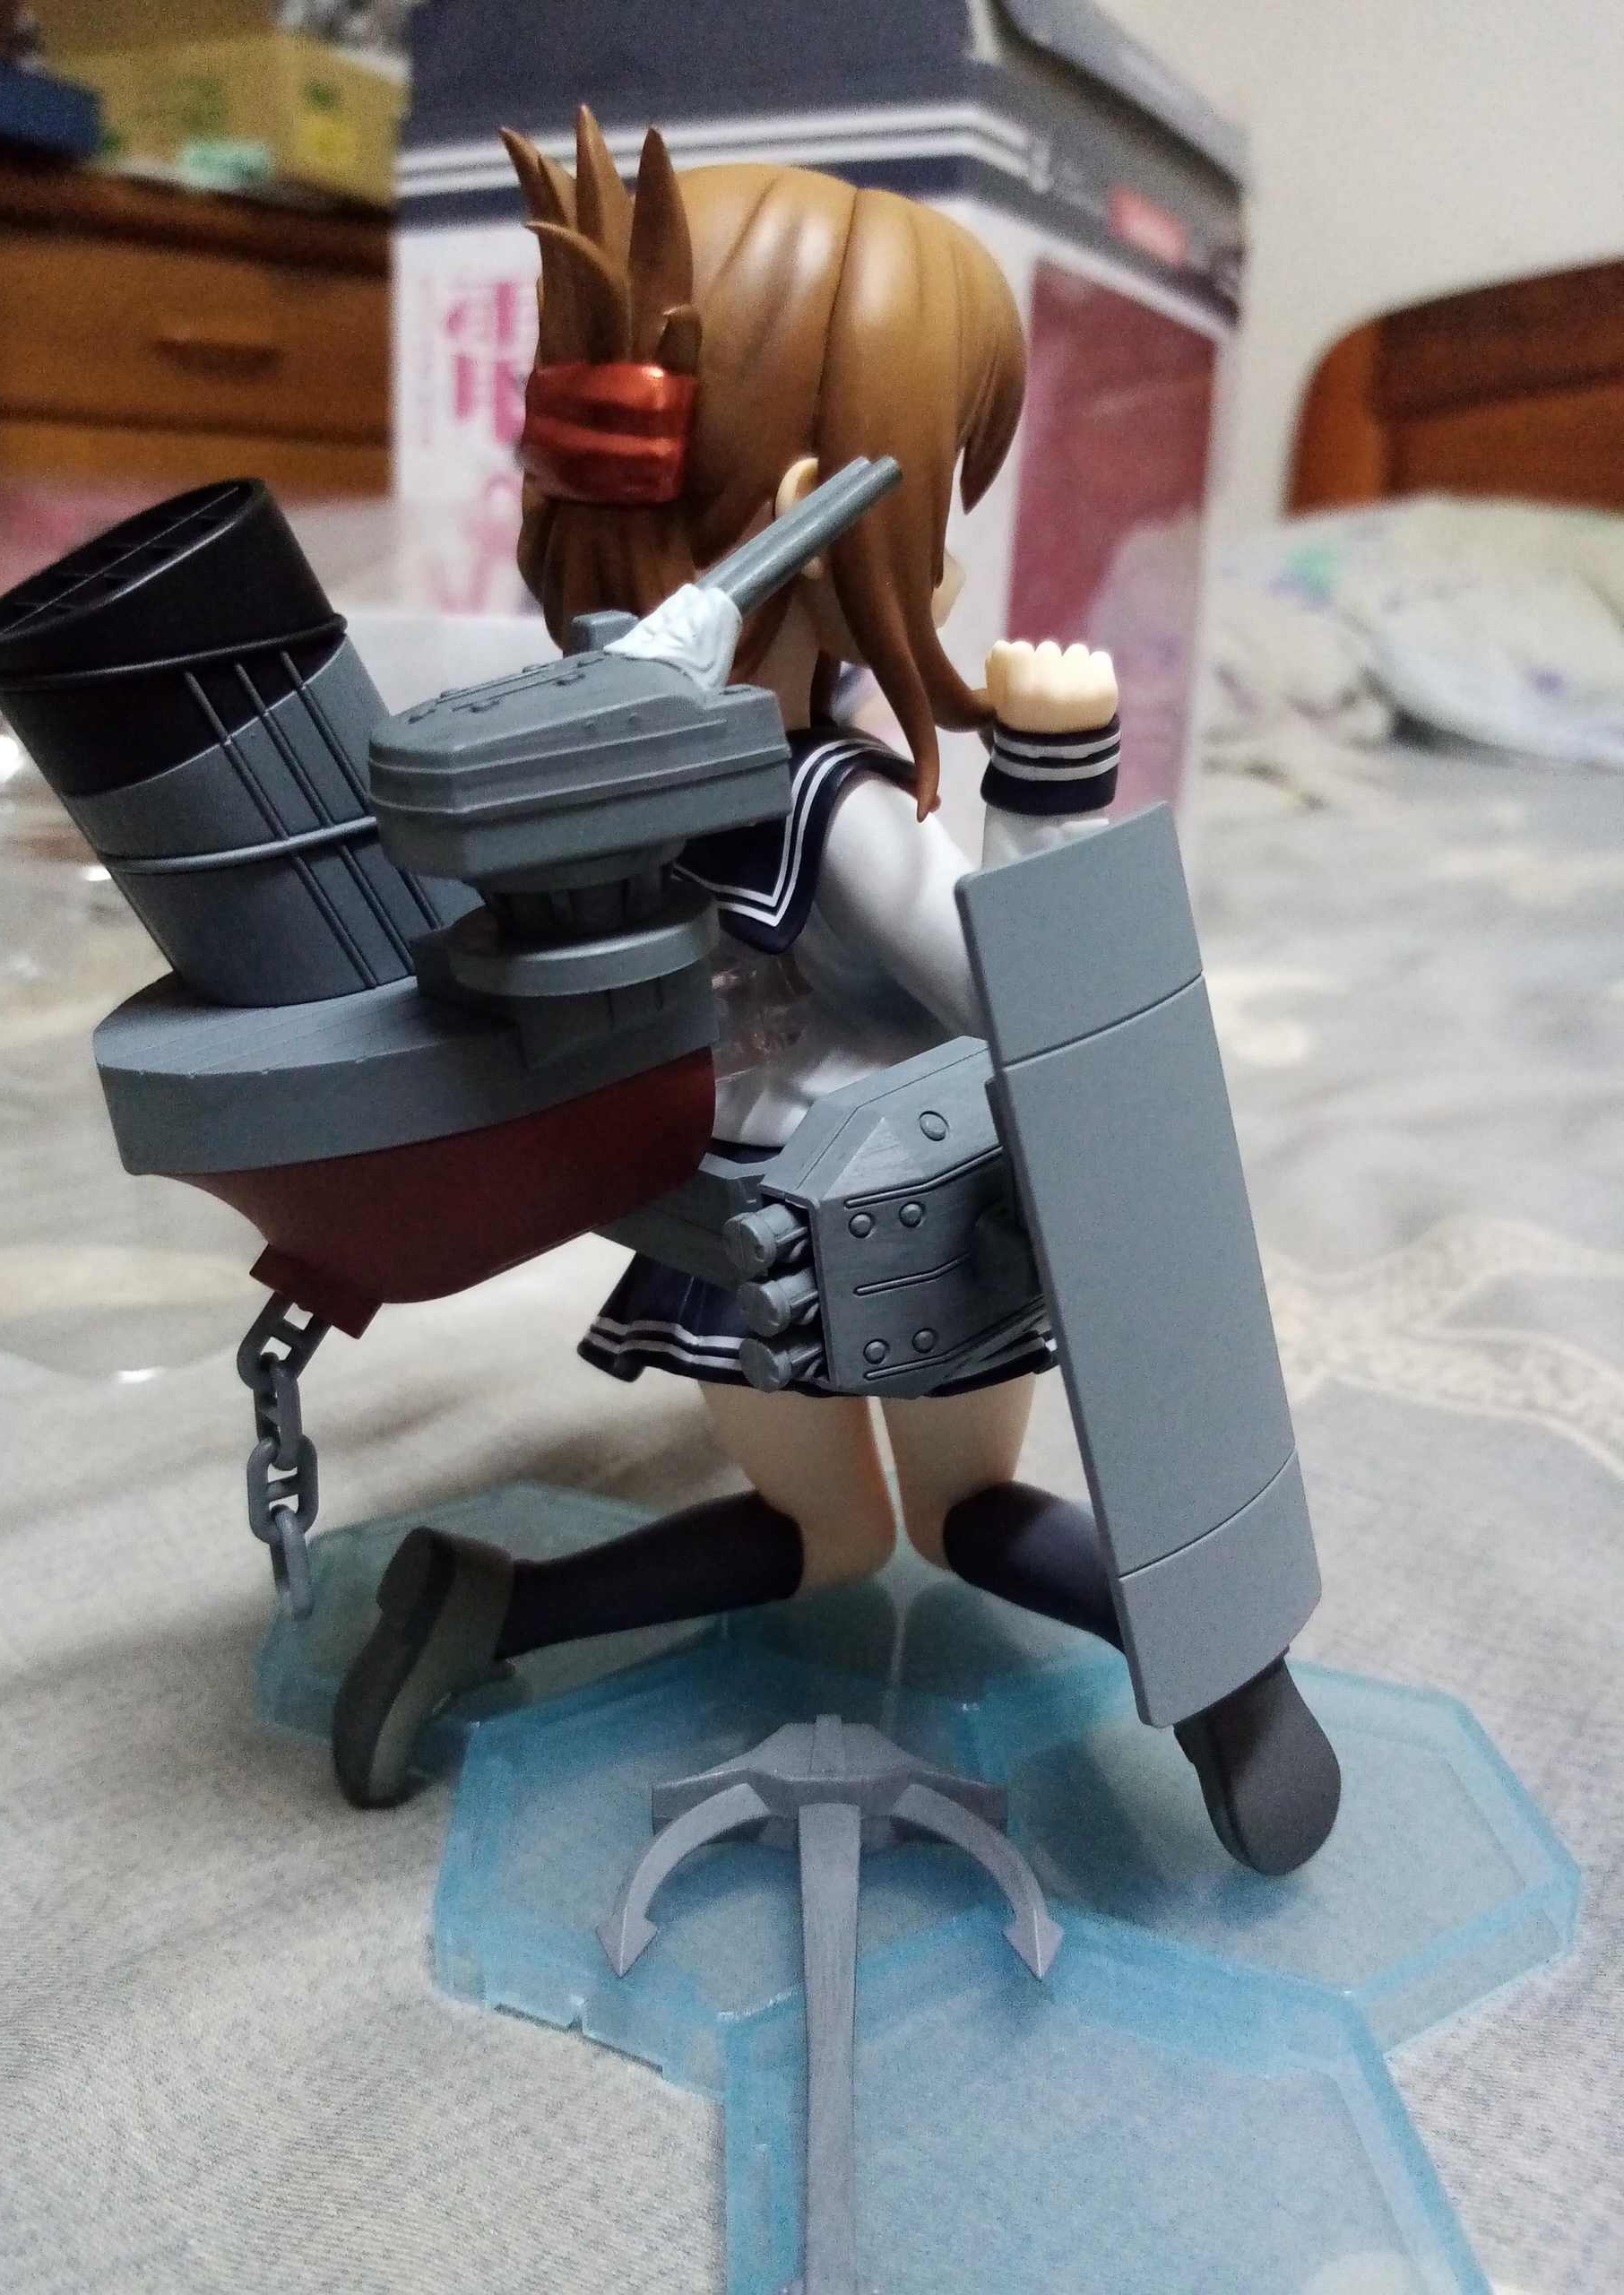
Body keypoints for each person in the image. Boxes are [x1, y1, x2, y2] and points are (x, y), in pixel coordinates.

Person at [333, 111, 1339, 1875]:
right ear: (824, 509)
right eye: (938, 494)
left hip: (732, 1218)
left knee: (828, 1535)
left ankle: (496, 1607)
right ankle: (1215, 1666)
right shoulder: (833, 802)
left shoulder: (570, 783)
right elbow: (1028, 995)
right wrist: (1051, 772)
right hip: (910, 1220)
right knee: (957, 1512)